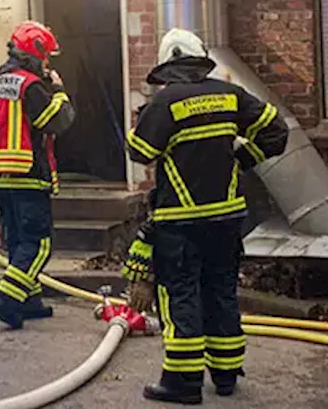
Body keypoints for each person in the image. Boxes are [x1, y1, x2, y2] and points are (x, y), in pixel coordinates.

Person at [121, 28, 289, 404]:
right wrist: (244, 158)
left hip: (180, 222)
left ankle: (182, 383)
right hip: (227, 220)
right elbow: (277, 132)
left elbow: (139, 152)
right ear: (200, 59)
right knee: (220, 293)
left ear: (167, 65)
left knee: (181, 296)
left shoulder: (164, 103)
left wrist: (140, 120)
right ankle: (226, 374)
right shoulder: (230, 95)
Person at [0, 20, 75, 329]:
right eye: (45, 57)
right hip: (30, 174)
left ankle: (29, 301)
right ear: (35, 52)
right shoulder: (30, 85)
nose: (46, 64)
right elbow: (57, 121)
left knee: (18, 239)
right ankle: (7, 299)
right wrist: (58, 90)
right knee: (38, 243)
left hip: (3, 175)